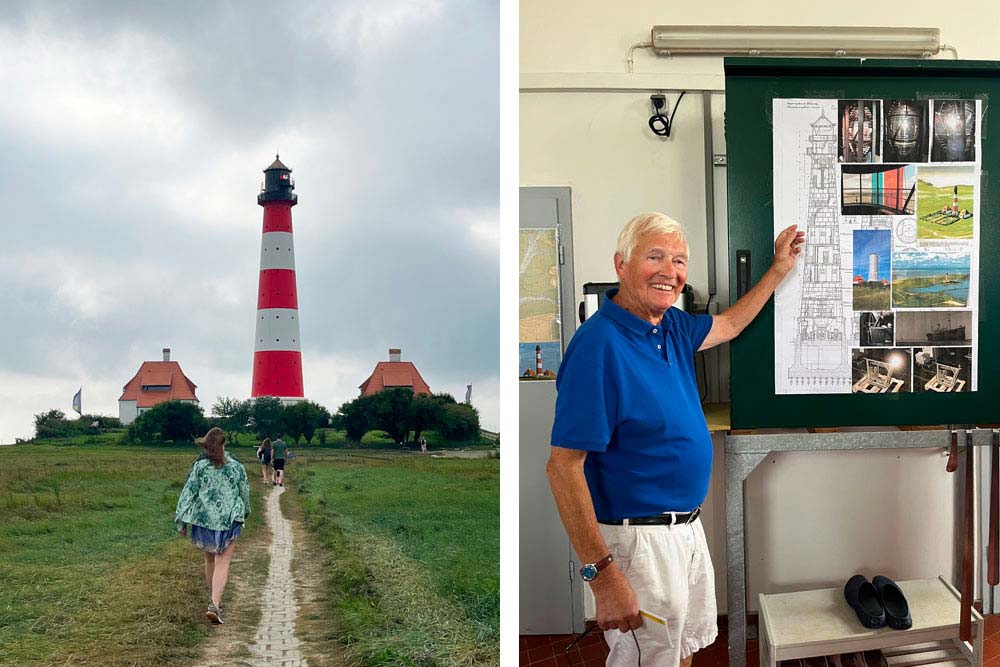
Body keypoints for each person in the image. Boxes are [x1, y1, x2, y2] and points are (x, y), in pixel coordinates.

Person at [547, 212, 804, 666]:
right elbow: (563, 467)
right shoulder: (597, 346)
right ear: (621, 264)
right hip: (638, 545)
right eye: (655, 257)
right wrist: (603, 579)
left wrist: (779, 269)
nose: (670, 271)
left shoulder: (670, 327)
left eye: (680, 260)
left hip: (683, 530)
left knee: (679, 652)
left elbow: (729, 325)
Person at [175, 427, 251, 625]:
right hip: (229, 520)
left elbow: (188, 492)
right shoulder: (236, 467)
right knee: (222, 562)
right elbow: (244, 492)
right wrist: (246, 512)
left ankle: (214, 601)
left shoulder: (199, 467)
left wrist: (182, 520)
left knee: (210, 560)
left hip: (204, 520)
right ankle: (215, 603)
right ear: (224, 444)